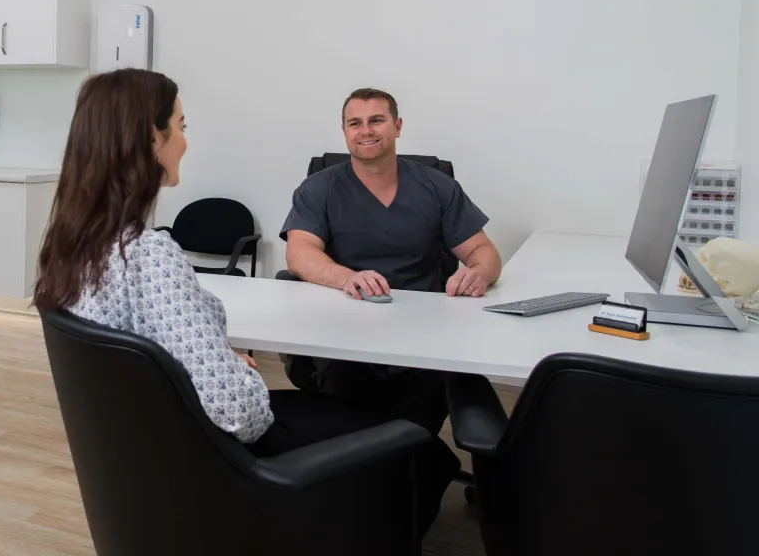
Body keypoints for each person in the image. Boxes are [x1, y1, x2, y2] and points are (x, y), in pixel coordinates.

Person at [33, 69, 457, 531]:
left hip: (154, 454)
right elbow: (239, 413)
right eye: (180, 126)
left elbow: (137, 353)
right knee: (421, 448)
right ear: (152, 140)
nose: (185, 141)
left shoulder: (75, 250)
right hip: (220, 457)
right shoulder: (150, 257)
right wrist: (233, 374)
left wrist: (210, 359)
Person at [280, 87, 502, 437]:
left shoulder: (437, 186)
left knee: (417, 421)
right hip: (346, 332)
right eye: (355, 123)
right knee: (349, 419)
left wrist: (479, 274)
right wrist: (346, 277)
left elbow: (483, 252)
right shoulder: (319, 188)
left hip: (422, 332)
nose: (365, 130)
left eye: (376, 120)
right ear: (344, 132)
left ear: (397, 127)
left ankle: (410, 459)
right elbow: (299, 252)